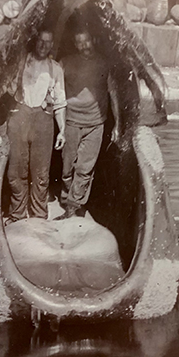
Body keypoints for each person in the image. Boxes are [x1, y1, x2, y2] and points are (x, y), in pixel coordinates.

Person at [57, 25, 120, 219]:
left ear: (92, 40)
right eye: (79, 42)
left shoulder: (104, 63)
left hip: (95, 123)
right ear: (75, 45)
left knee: (85, 168)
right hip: (71, 121)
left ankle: (74, 206)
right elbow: (56, 89)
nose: (84, 45)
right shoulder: (65, 63)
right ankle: (67, 195)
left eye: (87, 40)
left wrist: (117, 124)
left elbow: (113, 94)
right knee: (67, 167)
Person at [6, 29, 66, 222]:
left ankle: (39, 216)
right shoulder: (21, 61)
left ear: (51, 45)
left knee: (40, 174)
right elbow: (5, 88)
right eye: (40, 41)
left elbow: (60, 103)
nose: (43, 45)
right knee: (16, 171)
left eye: (48, 42)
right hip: (20, 116)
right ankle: (17, 215)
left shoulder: (55, 69)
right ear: (35, 41)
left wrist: (62, 130)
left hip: (43, 120)